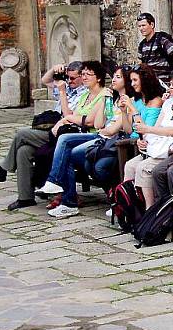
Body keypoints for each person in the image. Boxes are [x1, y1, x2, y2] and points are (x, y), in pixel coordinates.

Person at [44, 65, 134, 217]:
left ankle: (56, 183)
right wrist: (105, 101)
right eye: (113, 76)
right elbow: (100, 124)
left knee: (66, 143)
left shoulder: (130, 101)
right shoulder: (113, 98)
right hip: (101, 137)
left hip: (111, 141)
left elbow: (111, 130)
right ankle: (68, 201)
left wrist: (106, 128)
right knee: (67, 153)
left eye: (118, 77)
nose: (113, 80)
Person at [0, 61, 85, 210]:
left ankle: (4, 168)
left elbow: (68, 116)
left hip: (66, 133)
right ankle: (25, 198)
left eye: (73, 78)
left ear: (82, 77)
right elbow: (45, 80)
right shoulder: (67, 87)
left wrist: (63, 92)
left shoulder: (83, 93)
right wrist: (54, 69)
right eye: (68, 77)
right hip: (52, 129)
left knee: (22, 134)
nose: (69, 81)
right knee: (23, 151)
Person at [124, 68, 173, 208]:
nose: (170, 88)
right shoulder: (169, 103)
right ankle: (131, 208)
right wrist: (145, 139)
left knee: (143, 167)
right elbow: (158, 126)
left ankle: (151, 209)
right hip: (158, 146)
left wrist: (148, 129)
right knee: (130, 165)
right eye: (170, 84)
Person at [136, 12, 173, 81]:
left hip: (165, 83)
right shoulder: (142, 45)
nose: (141, 28)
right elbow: (140, 65)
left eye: (143, 25)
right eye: (139, 26)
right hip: (151, 84)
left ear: (152, 25)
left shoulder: (161, 40)